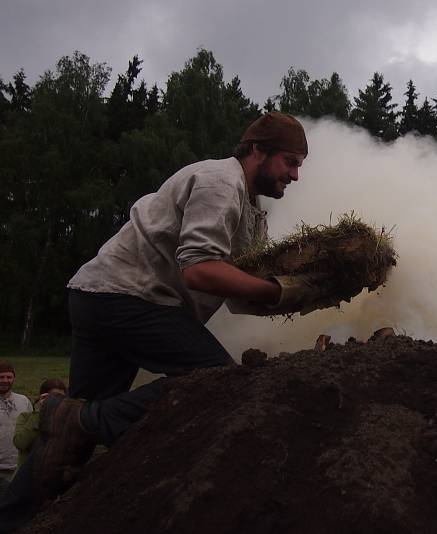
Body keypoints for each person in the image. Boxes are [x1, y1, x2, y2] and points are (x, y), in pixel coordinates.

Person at [0, 112, 327, 532]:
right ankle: (85, 419)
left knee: (67, 442)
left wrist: (303, 292)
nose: (296, 175)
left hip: (98, 296)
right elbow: (198, 269)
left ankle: (13, 518)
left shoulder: (250, 210)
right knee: (215, 380)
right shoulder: (220, 183)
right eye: (290, 161)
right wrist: (276, 290)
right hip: (126, 298)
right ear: (257, 151)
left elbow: (240, 291)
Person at [12, 379, 67, 474]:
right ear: (42, 397)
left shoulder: (67, 420)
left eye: (61, 397)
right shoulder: (26, 417)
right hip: (27, 475)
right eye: (52, 397)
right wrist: (39, 413)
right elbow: (20, 443)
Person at [0, 363, 32, 495]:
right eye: (1, 377)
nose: (5, 381)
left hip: (17, 468)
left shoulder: (23, 401)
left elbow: (31, 430)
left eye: (9, 377)